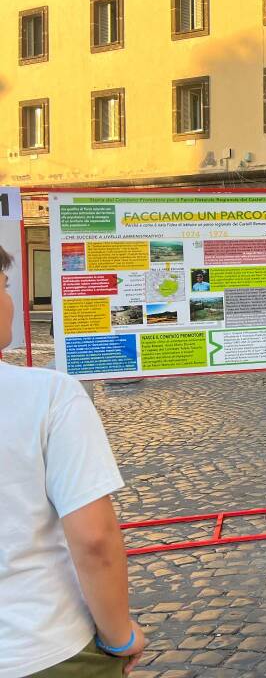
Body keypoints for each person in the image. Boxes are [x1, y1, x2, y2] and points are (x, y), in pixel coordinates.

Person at [0, 245, 147, 676]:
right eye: (5, 285)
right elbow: (94, 539)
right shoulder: (47, 394)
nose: (11, 299)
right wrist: (120, 636)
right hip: (40, 647)